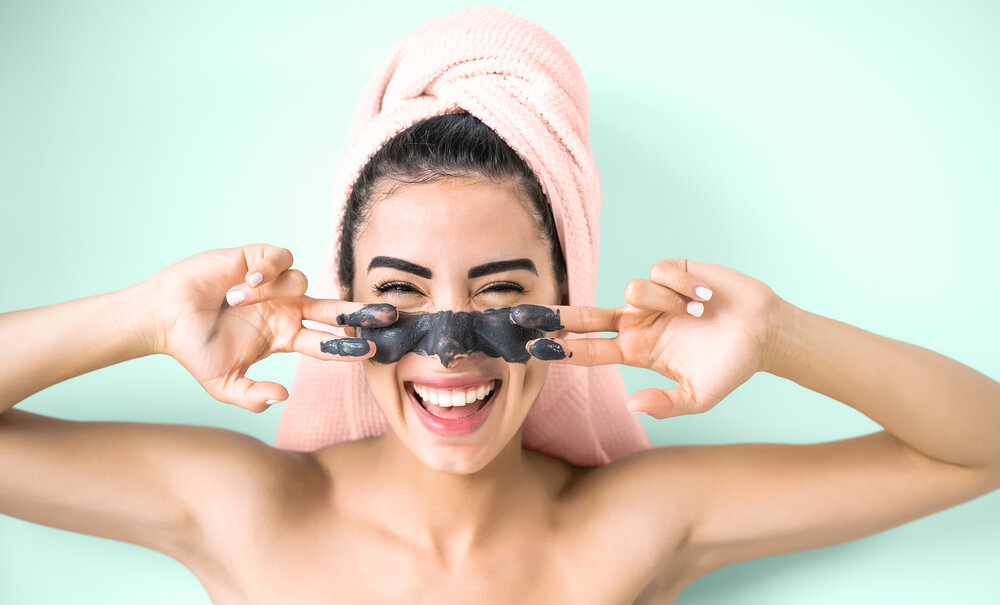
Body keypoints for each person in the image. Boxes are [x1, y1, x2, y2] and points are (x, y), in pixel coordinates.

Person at [2, 7, 998, 604]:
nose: (446, 349)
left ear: (566, 310)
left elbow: (979, 448)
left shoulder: (629, 526)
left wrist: (779, 334)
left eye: (502, 295)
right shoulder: (248, 510)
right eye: (397, 296)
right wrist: (141, 316)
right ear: (340, 311)